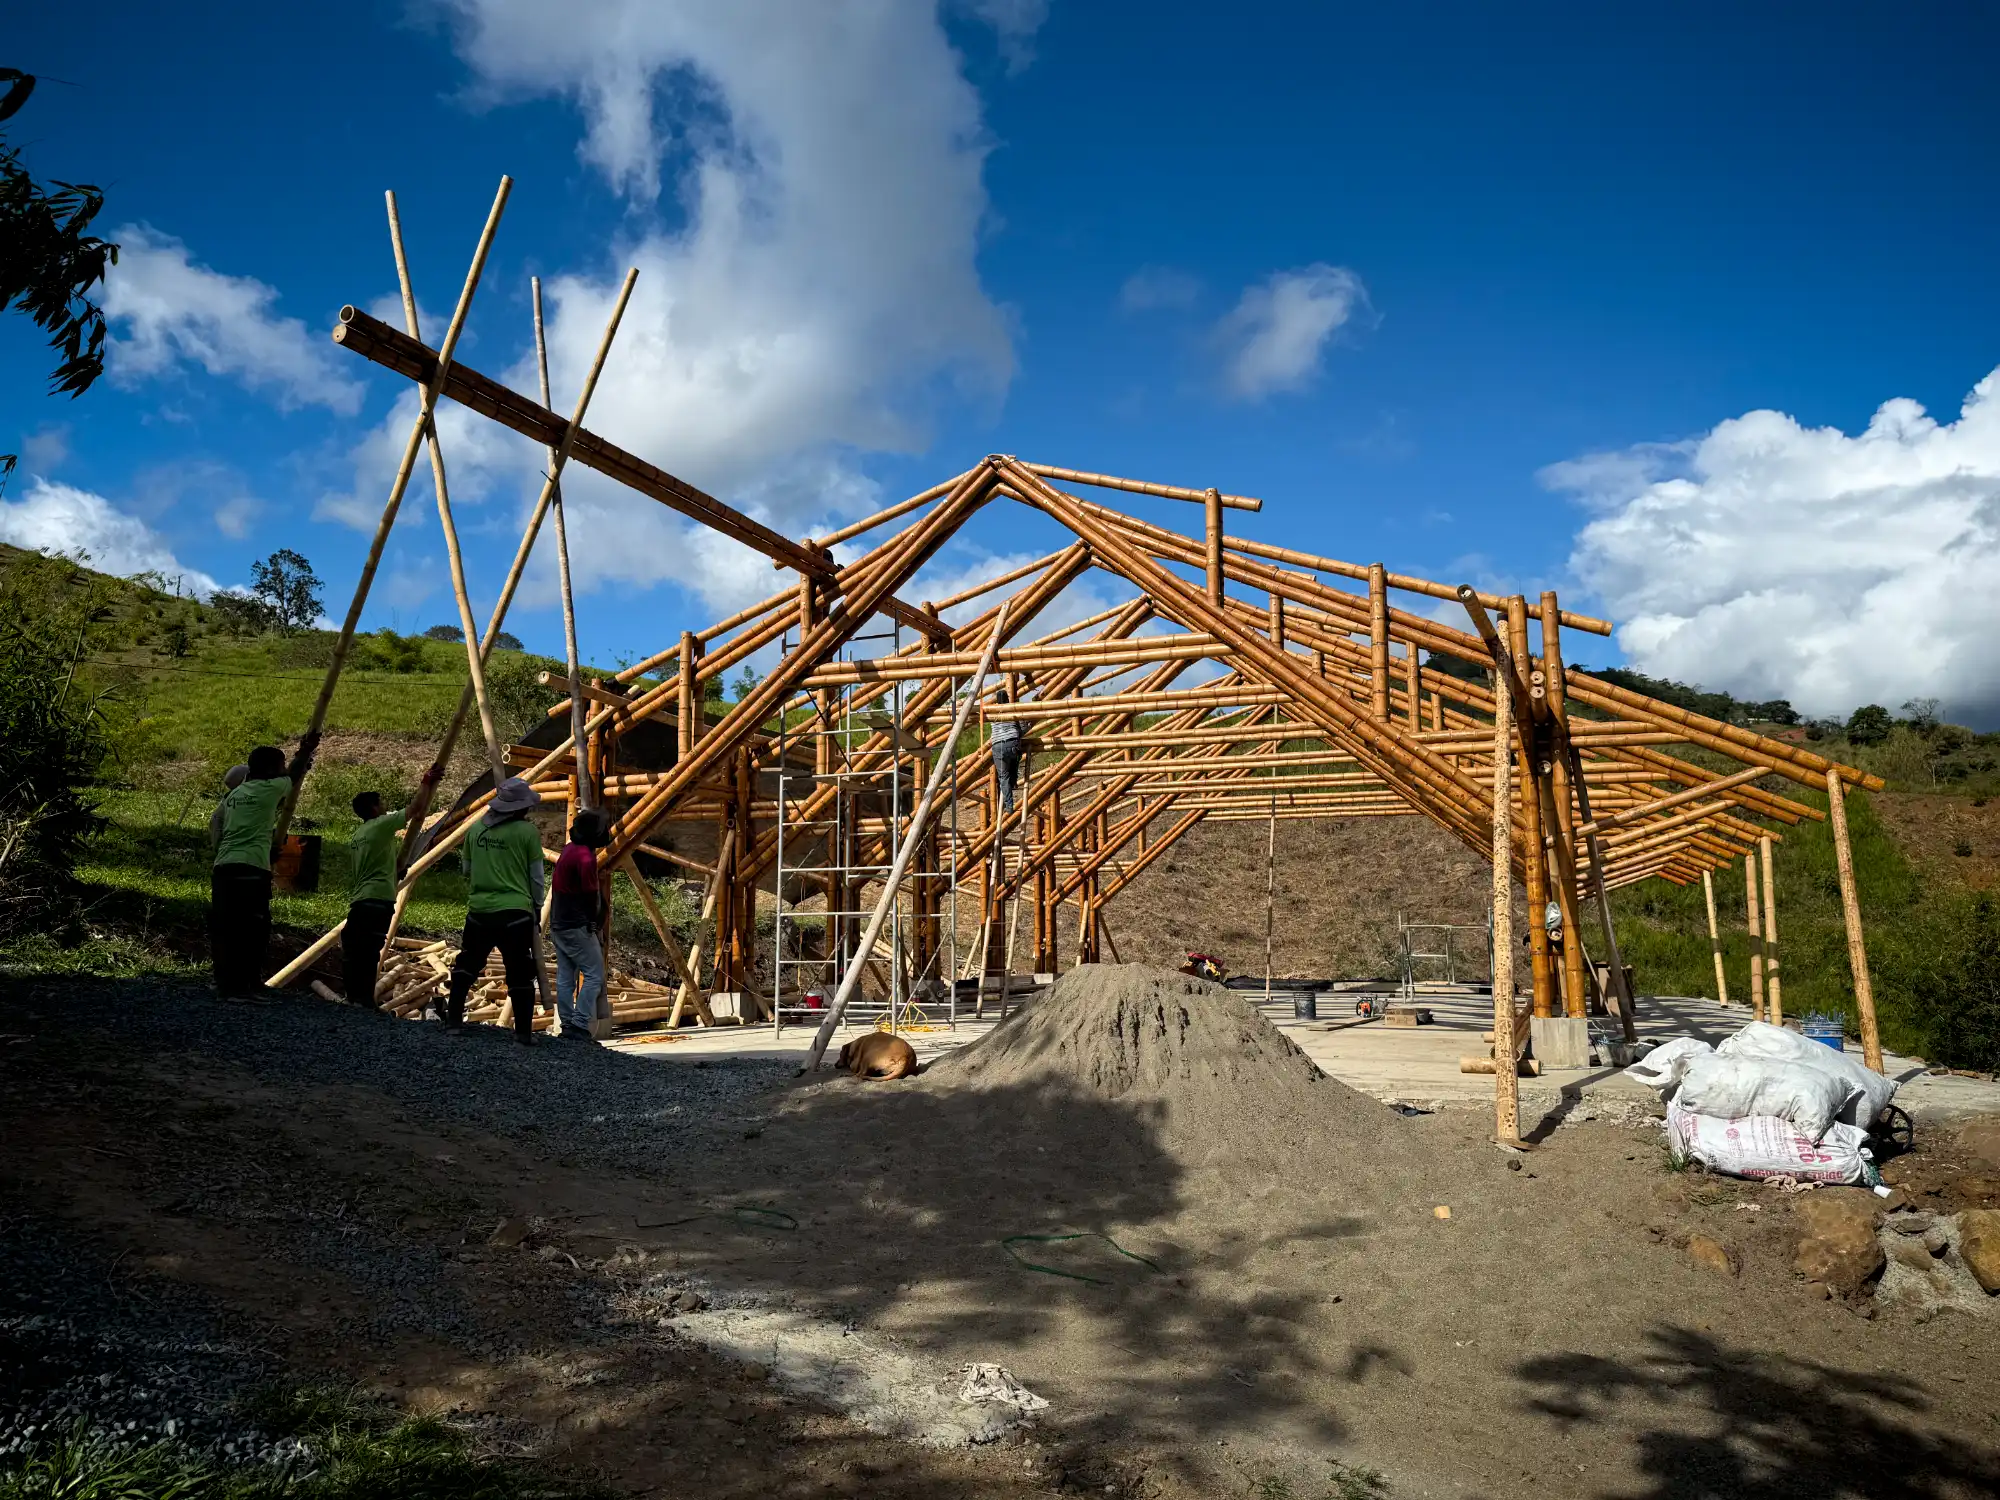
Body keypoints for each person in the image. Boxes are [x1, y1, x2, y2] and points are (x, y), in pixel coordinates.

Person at [443, 776, 545, 1043]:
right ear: (519, 808)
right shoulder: (527, 832)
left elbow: (466, 869)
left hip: (479, 911)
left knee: (467, 965)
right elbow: (536, 877)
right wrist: (538, 905)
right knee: (520, 972)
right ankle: (523, 1033)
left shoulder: (476, 829)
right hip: (516, 913)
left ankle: (453, 1022)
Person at [209, 744, 308, 999]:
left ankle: (226, 983)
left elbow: (223, 824)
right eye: (281, 765)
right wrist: (305, 751)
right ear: (271, 769)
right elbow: (293, 775)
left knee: (226, 927)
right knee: (253, 929)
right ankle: (243, 985)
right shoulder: (270, 788)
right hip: (251, 868)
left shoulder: (234, 795)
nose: (283, 769)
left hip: (224, 867)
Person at [341, 767, 441, 1009]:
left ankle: (352, 997)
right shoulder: (381, 825)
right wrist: (426, 782)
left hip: (360, 900)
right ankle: (364, 1001)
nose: (385, 806)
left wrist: (394, 871)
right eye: (382, 803)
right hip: (379, 899)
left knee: (354, 949)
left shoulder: (359, 835)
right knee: (369, 951)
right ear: (374, 808)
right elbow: (415, 809)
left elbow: (375, 863)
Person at [548, 807, 610, 1042]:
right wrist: (594, 923)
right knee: (594, 974)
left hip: (559, 922)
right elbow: (589, 895)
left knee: (566, 976)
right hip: (576, 925)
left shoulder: (569, 850)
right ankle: (580, 1023)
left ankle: (566, 1024)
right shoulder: (585, 857)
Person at [985, 688, 1025, 817]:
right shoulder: (1012, 709)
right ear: (1007, 699)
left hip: (997, 746)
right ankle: (1013, 782)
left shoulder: (992, 712)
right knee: (1015, 759)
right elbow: (1022, 727)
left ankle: (1009, 805)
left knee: (1003, 777)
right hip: (1012, 743)